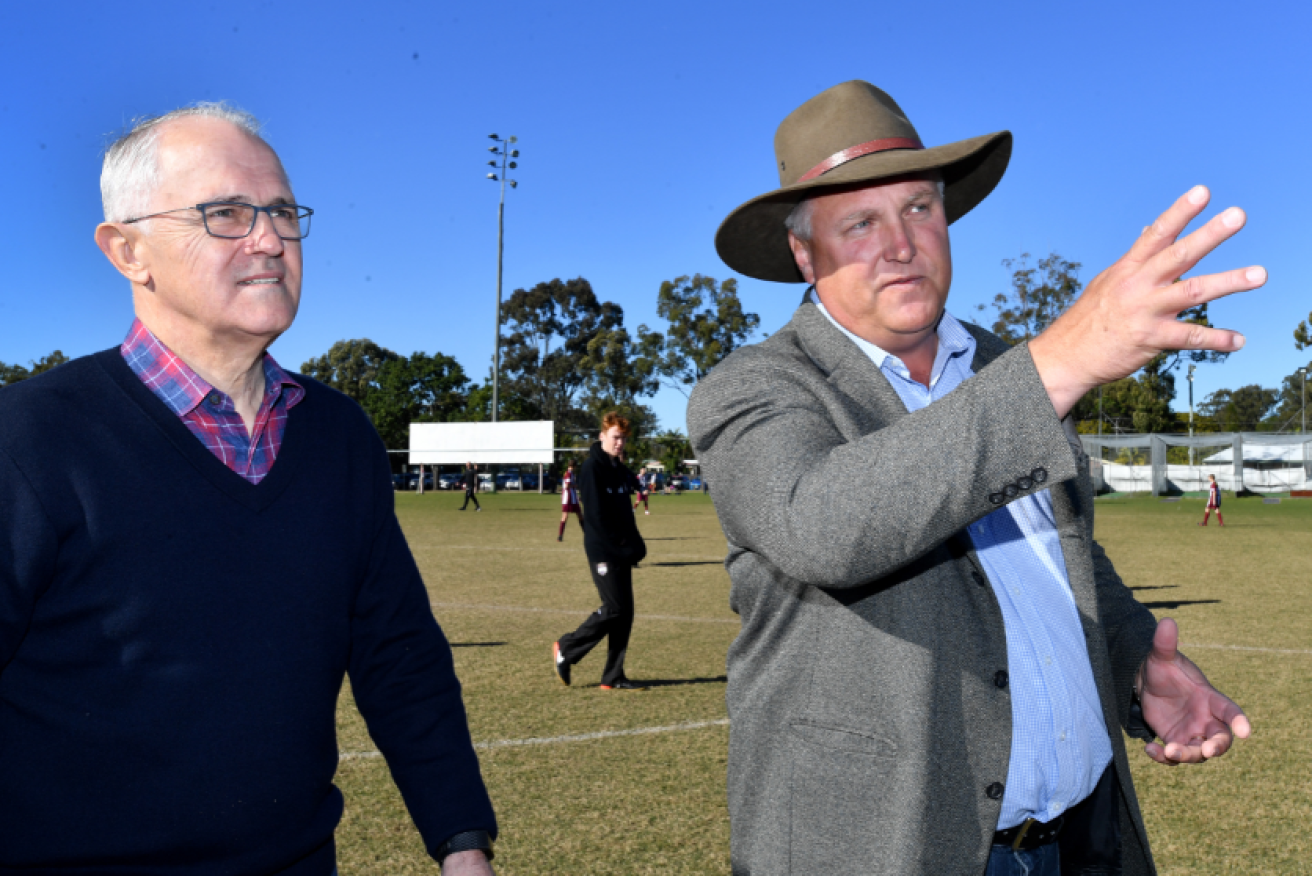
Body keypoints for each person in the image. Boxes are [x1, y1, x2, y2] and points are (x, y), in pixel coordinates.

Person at [687, 81, 1258, 876]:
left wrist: (1135, 661)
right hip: (883, 851)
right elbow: (822, 525)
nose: (900, 243)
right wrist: (1057, 362)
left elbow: (1061, 554)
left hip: (1082, 838)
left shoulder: (1002, 372)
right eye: (859, 222)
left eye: (919, 208)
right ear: (803, 254)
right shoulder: (754, 390)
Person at [0, 103, 496, 874]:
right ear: (129, 251)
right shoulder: (28, 439)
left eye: (282, 212)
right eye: (226, 214)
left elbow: (400, 658)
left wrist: (462, 842)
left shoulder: (339, 439)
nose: (270, 238)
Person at [552, 413, 648, 691]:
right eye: (616, 437)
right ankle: (566, 648)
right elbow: (595, 516)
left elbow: (624, 512)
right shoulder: (592, 468)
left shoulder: (618, 468)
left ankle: (613, 676)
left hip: (622, 550)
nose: (620, 443)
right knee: (615, 608)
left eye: (624, 438)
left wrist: (635, 543)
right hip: (604, 550)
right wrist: (620, 544)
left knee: (625, 613)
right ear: (602, 436)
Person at [557, 459, 584, 541]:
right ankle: (560, 536)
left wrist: (577, 497)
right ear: (574, 466)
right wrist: (575, 485)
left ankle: (587, 534)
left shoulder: (569, 473)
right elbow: (567, 486)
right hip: (568, 498)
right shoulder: (568, 474)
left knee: (579, 515)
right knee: (567, 516)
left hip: (571, 497)